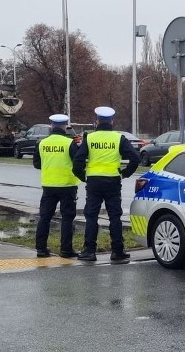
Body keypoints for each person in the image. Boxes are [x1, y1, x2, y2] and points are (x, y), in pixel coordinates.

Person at [72, 106, 140, 262]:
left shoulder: (89, 138)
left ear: (97, 122)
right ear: (112, 122)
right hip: (113, 182)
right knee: (114, 217)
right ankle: (117, 252)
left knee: (91, 216)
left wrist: (84, 177)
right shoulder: (118, 138)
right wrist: (125, 173)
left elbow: (77, 162)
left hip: (94, 182)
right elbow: (135, 158)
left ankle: (89, 251)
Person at [33, 114, 81, 258]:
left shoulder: (42, 143)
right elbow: (78, 162)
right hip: (67, 186)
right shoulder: (69, 143)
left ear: (52, 126)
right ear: (65, 126)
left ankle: (41, 249)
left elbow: (37, 164)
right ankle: (66, 250)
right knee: (67, 218)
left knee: (45, 217)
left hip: (48, 186)